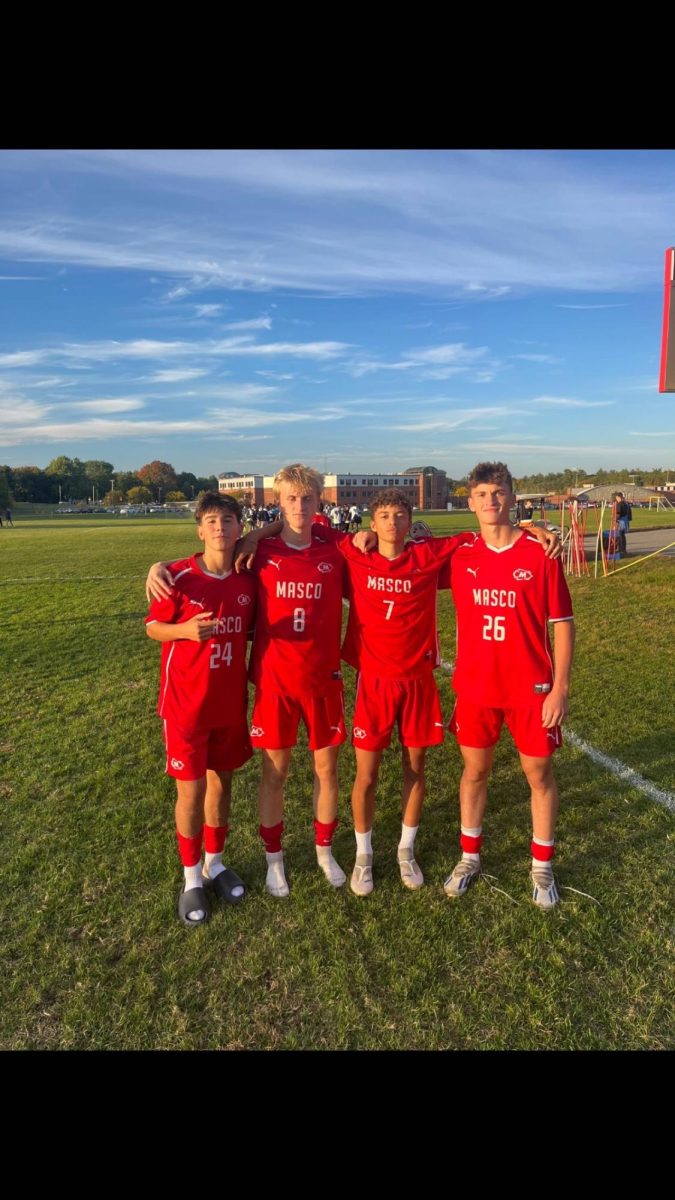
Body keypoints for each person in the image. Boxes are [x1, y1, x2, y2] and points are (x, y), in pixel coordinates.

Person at [442, 462, 574, 910]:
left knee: (538, 775)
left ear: (512, 498)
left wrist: (560, 688)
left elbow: (562, 623)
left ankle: (541, 864)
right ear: (471, 501)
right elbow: (403, 548)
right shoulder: (460, 555)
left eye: (498, 493)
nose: (490, 501)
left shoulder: (541, 553)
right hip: (477, 689)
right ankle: (469, 857)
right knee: (475, 773)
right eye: (481, 494)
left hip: (531, 690)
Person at [145, 492, 256, 927]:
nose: (219, 529)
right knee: (190, 792)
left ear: (238, 528)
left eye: (228, 520)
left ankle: (215, 862)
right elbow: (153, 628)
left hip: (228, 705)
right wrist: (184, 631)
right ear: (199, 529)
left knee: (222, 786)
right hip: (185, 706)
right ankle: (191, 878)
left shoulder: (248, 577)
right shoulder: (176, 577)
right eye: (211, 521)